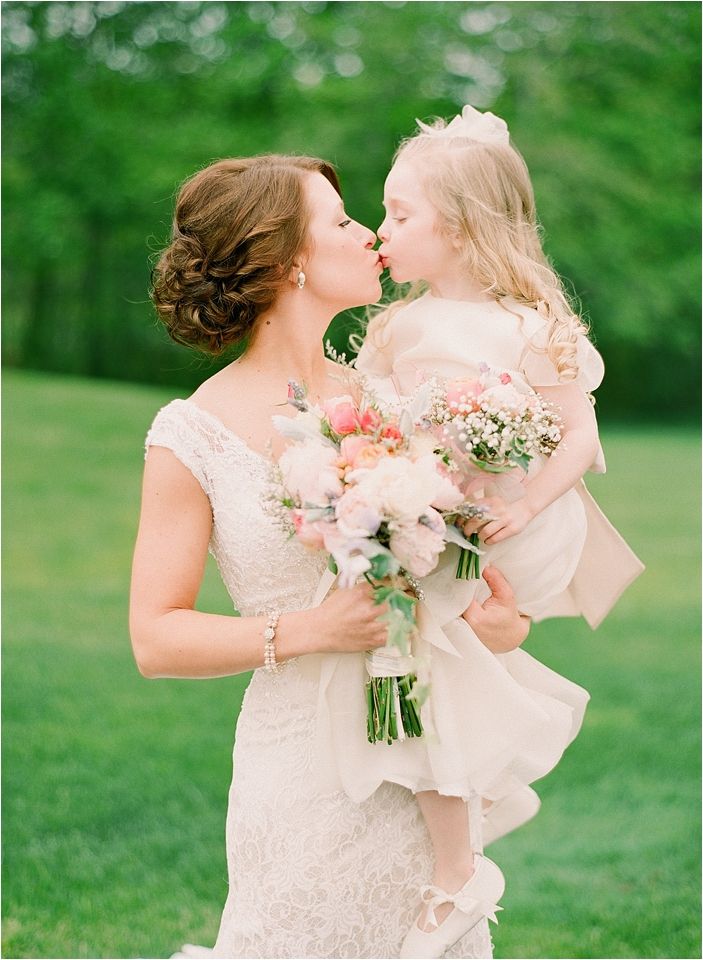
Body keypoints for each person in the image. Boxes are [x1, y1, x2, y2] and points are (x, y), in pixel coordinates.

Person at [129, 154, 531, 960]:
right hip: (301, 781)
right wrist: (312, 629)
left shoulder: (394, 398)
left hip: (419, 774)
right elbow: (156, 638)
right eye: (343, 222)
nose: (370, 235)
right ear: (289, 260)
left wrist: (491, 615)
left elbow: (478, 604)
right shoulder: (191, 435)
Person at [330, 105, 642, 958]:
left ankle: (457, 865)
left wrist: (522, 502)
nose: (381, 231)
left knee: (423, 664)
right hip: (424, 518)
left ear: (462, 228)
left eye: (399, 215)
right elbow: (371, 422)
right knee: (414, 671)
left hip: (510, 524)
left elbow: (577, 436)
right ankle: (455, 853)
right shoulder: (396, 328)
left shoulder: (531, 326)